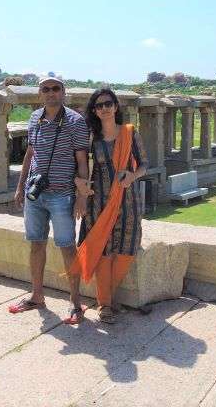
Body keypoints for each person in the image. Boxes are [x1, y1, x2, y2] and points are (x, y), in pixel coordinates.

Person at [9, 73, 90, 324]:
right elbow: (30, 154)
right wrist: (20, 186)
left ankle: (76, 302)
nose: (51, 92)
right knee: (36, 243)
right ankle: (37, 295)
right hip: (36, 193)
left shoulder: (75, 121)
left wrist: (81, 197)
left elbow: (81, 161)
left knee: (67, 246)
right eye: (46, 89)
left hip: (62, 194)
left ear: (63, 93)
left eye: (56, 88)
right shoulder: (35, 118)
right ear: (39, 94)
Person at [70, 88, 148, 324]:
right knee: (102, 250)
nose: (104, 108)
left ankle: (109, 297)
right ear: (94, 110)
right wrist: (80, 193)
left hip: (128, 200)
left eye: (108, 104)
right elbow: (79, 169)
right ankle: (105, 305)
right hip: (98, 202)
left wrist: (132, 176)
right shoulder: (91, 137)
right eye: (99, 105)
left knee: (126, 247)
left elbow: (144, 164)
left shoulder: (129, 133)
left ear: (115, 107)